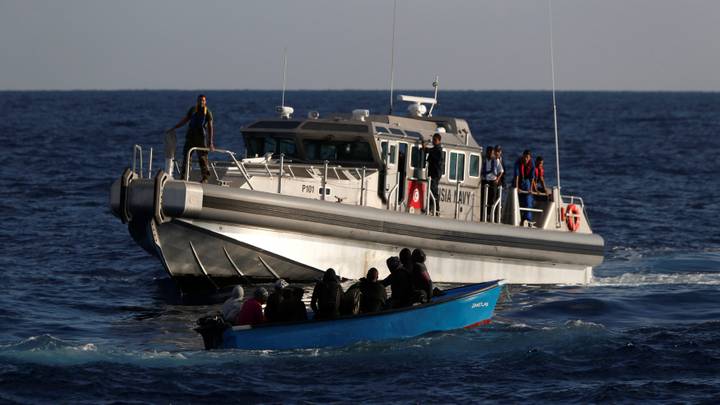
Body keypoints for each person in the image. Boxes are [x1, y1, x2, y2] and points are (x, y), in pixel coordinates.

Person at [166, 94, 214, 183]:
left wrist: (210, 142)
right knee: (186, 156)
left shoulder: (208, 112)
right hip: (191, 136)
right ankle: (183, 177)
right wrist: (175, 127)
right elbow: (185, 120)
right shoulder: (193, 110)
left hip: (201, 138)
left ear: (205, 102)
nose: (201, 102)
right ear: (197, 101)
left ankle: (205, 178)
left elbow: (210, 128)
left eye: (203, 100)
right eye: (200, 100)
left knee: (202, 158)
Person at [423, 132, 444, 214]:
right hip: (433, 173)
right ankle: (431, 208)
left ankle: (436, 209)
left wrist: (424, 145)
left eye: (435, 140)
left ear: (439, 141)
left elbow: (427, 150)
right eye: (433, 140)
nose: (433, 142)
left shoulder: (438, 149)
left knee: (433, 191)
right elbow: (427, 150)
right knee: (431, 191)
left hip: (435, 174)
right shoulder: (436, 149)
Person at [513, 150, 536, 225]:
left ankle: (527, 219)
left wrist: (531, 189)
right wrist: (517, 188)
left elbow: (532, 177)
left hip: (526, 182)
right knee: (517, 199)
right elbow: (516, 176)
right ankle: (517, 218)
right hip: (518, 181)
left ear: (530, 158)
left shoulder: (532, 163)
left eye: (528, 157)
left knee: (528, 200)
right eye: (525, 157)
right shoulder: (518, 162)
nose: (526, 159)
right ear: (523, 156)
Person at [481, 146, 501, 213]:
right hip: (485, 180)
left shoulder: (496, 160)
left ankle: (492, 215)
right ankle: (483, 214)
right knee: (483, 198)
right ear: (486, 153)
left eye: (491, 153)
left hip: (493, 181)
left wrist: (497, 179)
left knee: (492, 199)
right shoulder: (483, 160)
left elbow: (501, 171)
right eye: (488, 152)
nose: (490, 154)